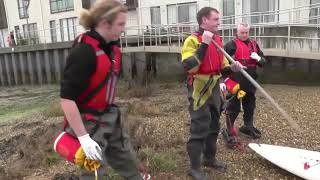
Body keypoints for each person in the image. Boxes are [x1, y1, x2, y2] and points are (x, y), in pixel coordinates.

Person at [60, 0, 147, 179]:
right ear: (104, 23)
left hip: (110, 115)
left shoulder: (111, 48)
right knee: (94, 172)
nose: (123, 29)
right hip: (89, 121)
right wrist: (83, 138)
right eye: (121, 24)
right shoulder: (84, 52)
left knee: (125, 158)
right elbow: (66, 99)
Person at [181, 7, 244, 180]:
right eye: (215, 19)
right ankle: (194, 168)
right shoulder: (192, 40)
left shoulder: (218, 40)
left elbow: (222, 70)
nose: (219, 22)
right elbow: (189, 66)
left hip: (215, 88)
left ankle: (209, 159)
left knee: (214, 126)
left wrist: (232, 68)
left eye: (218, 19)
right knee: (199, 128)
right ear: (204, 21)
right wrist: (204, 44)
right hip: (199, 90)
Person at [223, 22, 267, 147]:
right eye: (242, 32)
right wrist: (223, 80)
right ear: (237, 32)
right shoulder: (230, 45)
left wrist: (258, 58)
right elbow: (222, 65)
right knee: (233, 107)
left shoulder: (254, 45)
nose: (244, 35)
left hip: (250, 81)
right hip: (236, 82)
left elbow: (264, 61)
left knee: (250, 105)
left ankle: (248, 126)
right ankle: (229, 129)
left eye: (246, 32)